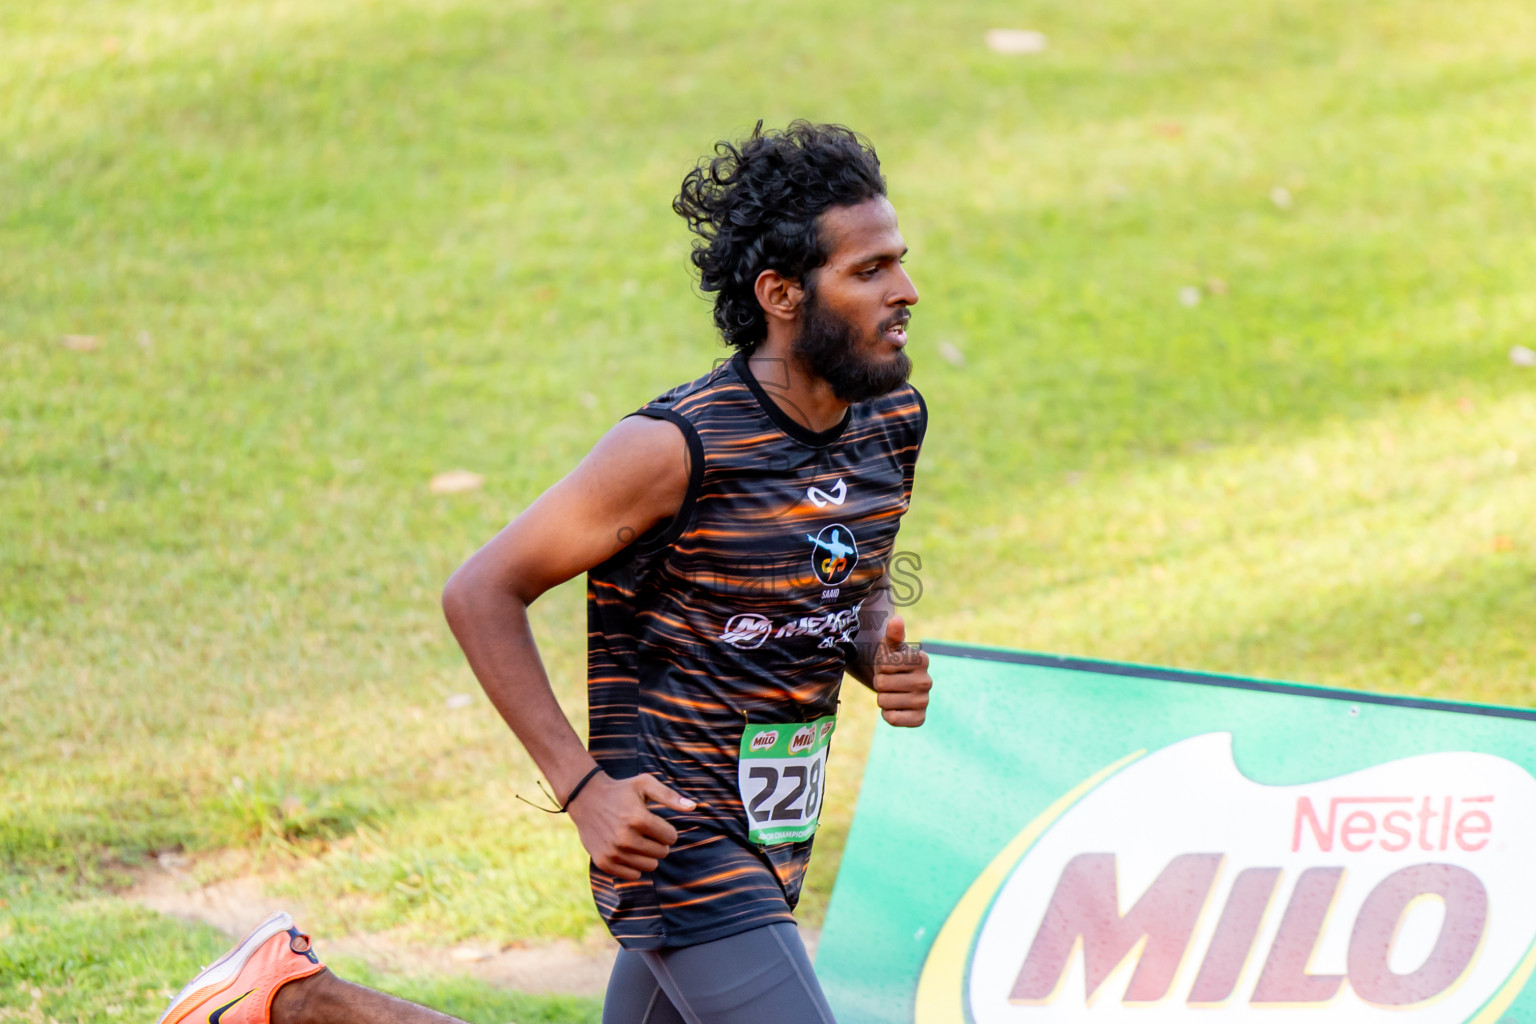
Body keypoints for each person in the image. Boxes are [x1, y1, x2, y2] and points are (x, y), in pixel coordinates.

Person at [158, 120, 932, 1024]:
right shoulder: (675, 447)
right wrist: (582, 789)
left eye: (899, 263)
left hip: (777, 826)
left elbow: (845, 576)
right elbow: (481, 590)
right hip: (672, 827)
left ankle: (296, 1002)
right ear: (780, 294)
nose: (906, 291)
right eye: (869, 270)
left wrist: (874, 649)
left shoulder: (891, 421)